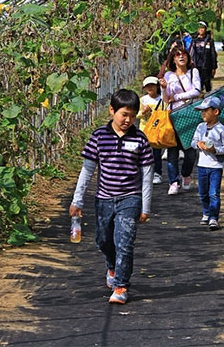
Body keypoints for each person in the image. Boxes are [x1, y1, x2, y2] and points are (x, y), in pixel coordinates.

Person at [69, 89, 154, 305]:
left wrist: (146, 206)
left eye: (133, 116)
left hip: (130, 198)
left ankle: (121, 286)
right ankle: (112, 266)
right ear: (112, 111)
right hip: (104, 198)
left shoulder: (140, 139)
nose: (128, 120)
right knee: (104, 240)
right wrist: (77, 201)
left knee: (125, 241)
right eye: (124, 114)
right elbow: (87, 170)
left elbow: (146, 175)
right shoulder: (99, 137)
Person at [160, 45, 201, 195]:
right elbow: (165, 99)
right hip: (173, 115)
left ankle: (186, 174)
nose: (181, 57)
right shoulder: (168, 76)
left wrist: (177, 97)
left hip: (190, 114)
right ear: (173, 59)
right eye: (177, 55)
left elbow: (197, 90)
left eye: (183, 54)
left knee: (190, 151)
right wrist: (164, 89)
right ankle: (173, 182)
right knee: (172, 150)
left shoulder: (193, 72)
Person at [191, 96, 224, 230]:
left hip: (215, 166)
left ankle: (214, 217)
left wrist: (215, 150)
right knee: (203, 192)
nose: (203, 113)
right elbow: (193, 142)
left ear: (216, 112)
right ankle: (206, 212)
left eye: (206, 110)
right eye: (202, 111)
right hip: (202, 165)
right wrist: (198, 144)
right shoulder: (200, 127)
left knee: (213, 192)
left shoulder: (221, 130)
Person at [138, 76, 164, 184]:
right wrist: (143, 112)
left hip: (157, 130)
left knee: (156, 153)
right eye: (147, 86)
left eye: (152, 85)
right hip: (144, 130)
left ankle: (157, 173)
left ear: (157, 86)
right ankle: (144, 173)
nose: (150, 88)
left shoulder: (162, 99)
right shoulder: (143, 100)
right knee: (144, 153)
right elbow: (137, 115)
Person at [189, 20, 217, 93]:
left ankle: (209, 98)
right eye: (199, 28)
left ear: (205, 29)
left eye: (203, 28)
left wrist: (214, 67)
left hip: (206, 66)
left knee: (207, 83)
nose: (201, 30)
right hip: (196, 65)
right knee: (197, 83)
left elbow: (213, 54)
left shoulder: (209, 40)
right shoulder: (194, 40)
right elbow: (191, 52)